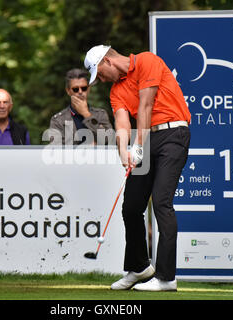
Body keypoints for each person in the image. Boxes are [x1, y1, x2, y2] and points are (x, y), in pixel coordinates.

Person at [84, 45, 191, 291]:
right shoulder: (116, 90)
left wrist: (139, 144)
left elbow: (146, 105)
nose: (100, 80)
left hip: (173, 134)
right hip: (148, 140)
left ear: (107, 61)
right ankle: (140, 267)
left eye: (99, 74)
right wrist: (124, 151)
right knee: (131, 206)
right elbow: (122, 122)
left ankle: (166, 278)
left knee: (162, 201)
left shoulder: (147, 61)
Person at [48, 68, 113, 145]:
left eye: (84, 88)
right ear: (68, 91)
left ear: (88, 89)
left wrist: (86, 114)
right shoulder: (58, 120)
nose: (80, 92)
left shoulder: (100, 114)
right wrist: (86, 147)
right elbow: (56, 150)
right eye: (75, 89)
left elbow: (109, 139)